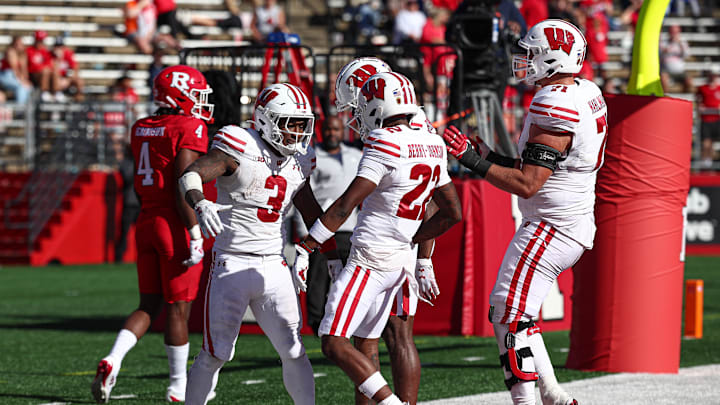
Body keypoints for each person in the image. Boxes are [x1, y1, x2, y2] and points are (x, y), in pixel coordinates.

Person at [442, 19, 606, 405]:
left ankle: (528, 402)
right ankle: (554, 396)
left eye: (532, 54)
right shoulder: (584, 90)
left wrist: (472, 162)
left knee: (506, 314)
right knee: (519, 314)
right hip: (569, 219)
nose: (524, 61)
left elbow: (529, 182)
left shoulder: (555, 104)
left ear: (553, 58)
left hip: (553, 225)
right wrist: (490, 157)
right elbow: (541, 164)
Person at [295, 71, 462, 405]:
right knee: (385, 338)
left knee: (333, 341)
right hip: (401, 258)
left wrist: (307, 246)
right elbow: (452, 212)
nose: (357, 114)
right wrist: (416, 243)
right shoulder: (431, 139)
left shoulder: (384, 141)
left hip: (370, 257)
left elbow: (344, 207)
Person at [179, 83, 339, 405]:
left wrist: (331, 258)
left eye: (301, 123)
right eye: (289, 123)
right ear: (266, 120)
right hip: (232, 263)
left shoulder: (301, 159)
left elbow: (311, 211)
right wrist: (200, 203)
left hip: (274, 264)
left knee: (294, 350)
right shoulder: (239, 144)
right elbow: (190, 175)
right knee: (216, 353)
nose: (297, 131)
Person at [91, 65, 214, 404]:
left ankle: (113, 359)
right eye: (195, 93)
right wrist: (193, 231)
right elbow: (183, 183)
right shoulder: (189, 125)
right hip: (173, 223)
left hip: (145, 221)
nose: (200, 101)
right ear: (178, 95)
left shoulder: (141, 127)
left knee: (148, 304)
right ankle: (177, 387)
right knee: (178, 309)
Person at [334, 57, 444, 405]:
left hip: (388, 241)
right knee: (394, 333)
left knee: (378, 336)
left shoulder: (394, 133)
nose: (355, 117)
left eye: (357, 106)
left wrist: (423, 257)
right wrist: (423, 257)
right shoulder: (417, 123)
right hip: (403, 241)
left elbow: (434, 201)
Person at [295, 115, 363, 335]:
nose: (332, 133)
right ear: (322, 132)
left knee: (351, 277)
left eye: (336, 129)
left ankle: (351, 319)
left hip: (350, 228)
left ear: (342, 131)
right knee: (318, 278)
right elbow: (302, 195)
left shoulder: (356, 156)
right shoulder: (314, 157)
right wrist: (305, 232)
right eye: (329, 130)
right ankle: (316, 322)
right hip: (321, 228)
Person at [697, 68, 720, 168]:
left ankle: (710, 162)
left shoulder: (719, 88)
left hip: (717, 119)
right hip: (706, 119)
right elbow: (698, 101)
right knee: (706, 142)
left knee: (713, 142)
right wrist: (700, 106)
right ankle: (706, 163)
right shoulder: (702, 88)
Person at [0, 35, 33, 104]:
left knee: (29, 87)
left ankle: (27, 109)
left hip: (15, 76)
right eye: (17, 44)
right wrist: (23, 81)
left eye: (21, 44)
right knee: (22, 87)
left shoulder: (23, 55)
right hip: (6, 75)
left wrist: (25, 80)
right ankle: (20, 110)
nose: (19, 46)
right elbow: (15, 69)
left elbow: (24, 70)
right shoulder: (11, 52)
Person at [51, 35, 84, 101]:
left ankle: (78, 100)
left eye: (60, 46)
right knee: (55, 76)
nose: (59, 48)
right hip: (55, 80)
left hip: (66, 78)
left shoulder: (68, 54)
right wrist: (58, 59)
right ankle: (56, 94)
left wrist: (68, 80)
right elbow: (52, 70)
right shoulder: (51, 56)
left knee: (79, 81)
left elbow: (75, 68)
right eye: (57, 46)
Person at [26, 30, 55, 102]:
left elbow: (49, 64)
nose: (40, 43)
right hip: (33, 75)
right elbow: (29, 67)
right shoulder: (29, 51)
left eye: (42, 41)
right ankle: (44, 92)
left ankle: (55, 93)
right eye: (39, 40)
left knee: (54, 71)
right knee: (45, 71)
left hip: (44, 73)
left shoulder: (45, 51)